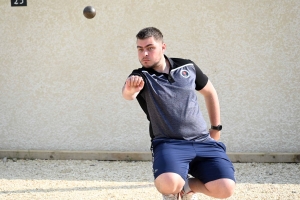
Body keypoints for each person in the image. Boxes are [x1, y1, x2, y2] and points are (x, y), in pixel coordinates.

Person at [122, 27, 235, 200]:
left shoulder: (187, 67)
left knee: (225, 188)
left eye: (150, 48)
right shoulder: (141, 76)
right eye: (140, 49)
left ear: (163, 47)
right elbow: (128, 94)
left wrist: (216, 128)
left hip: (203, 140)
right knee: (167, 183)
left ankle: (189, 186)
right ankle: (174, 190)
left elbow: (210, 93)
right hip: (169, 143)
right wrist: (130, 89)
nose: (144, 53)